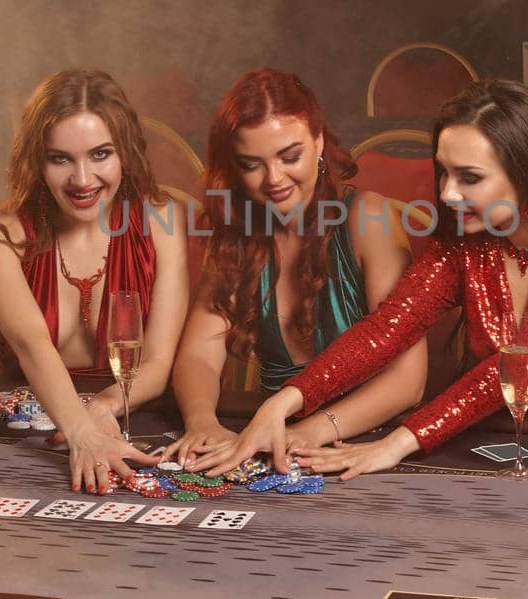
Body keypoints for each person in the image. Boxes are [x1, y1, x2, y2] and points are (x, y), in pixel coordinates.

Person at [201, 77, 528, 480]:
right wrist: (282, 404)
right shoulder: (463, 247)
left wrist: (397, 444)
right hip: (492, 439)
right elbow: (385, 331)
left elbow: (507, 372)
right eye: (443, 173)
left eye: (469, 177)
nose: (446, 193)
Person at [166, 69, 426, 473]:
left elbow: (408, 381)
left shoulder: (367, 218)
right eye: (252, 164)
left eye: (290, 156)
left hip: (365, 443)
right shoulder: (238, 233)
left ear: (319, 142)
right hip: (271, 441)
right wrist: (203, 423)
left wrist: (302, 435)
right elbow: (199, 355)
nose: (274, 179)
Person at [0, 69, 188, 494]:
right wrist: (83, 434)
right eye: (60, 159)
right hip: (27, 427)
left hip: (131, 415)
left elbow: (158, 365)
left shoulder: (163, 222)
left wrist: (101, 408)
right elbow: (32, 345)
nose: (83, 180)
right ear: (37, 158)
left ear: (125, 152)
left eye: (101, 154)